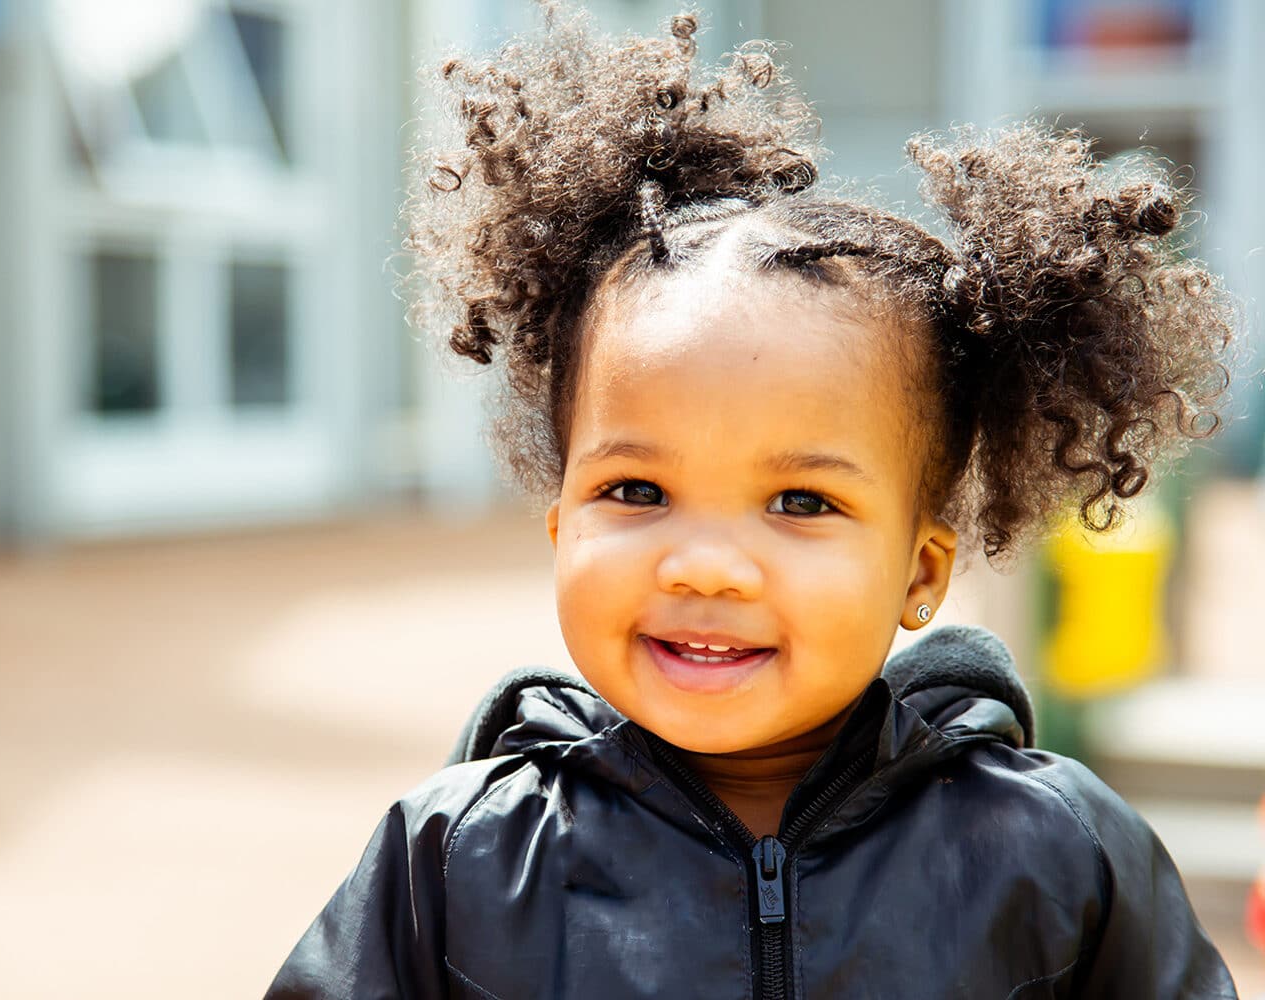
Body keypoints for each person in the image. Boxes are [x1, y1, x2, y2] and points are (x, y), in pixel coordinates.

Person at [267, 3, 1240, 996]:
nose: (704, 562)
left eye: (799, 502)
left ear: (920, 569)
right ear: (560, 526)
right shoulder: (453, 861)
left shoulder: (1052, 853)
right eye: (636, 489)